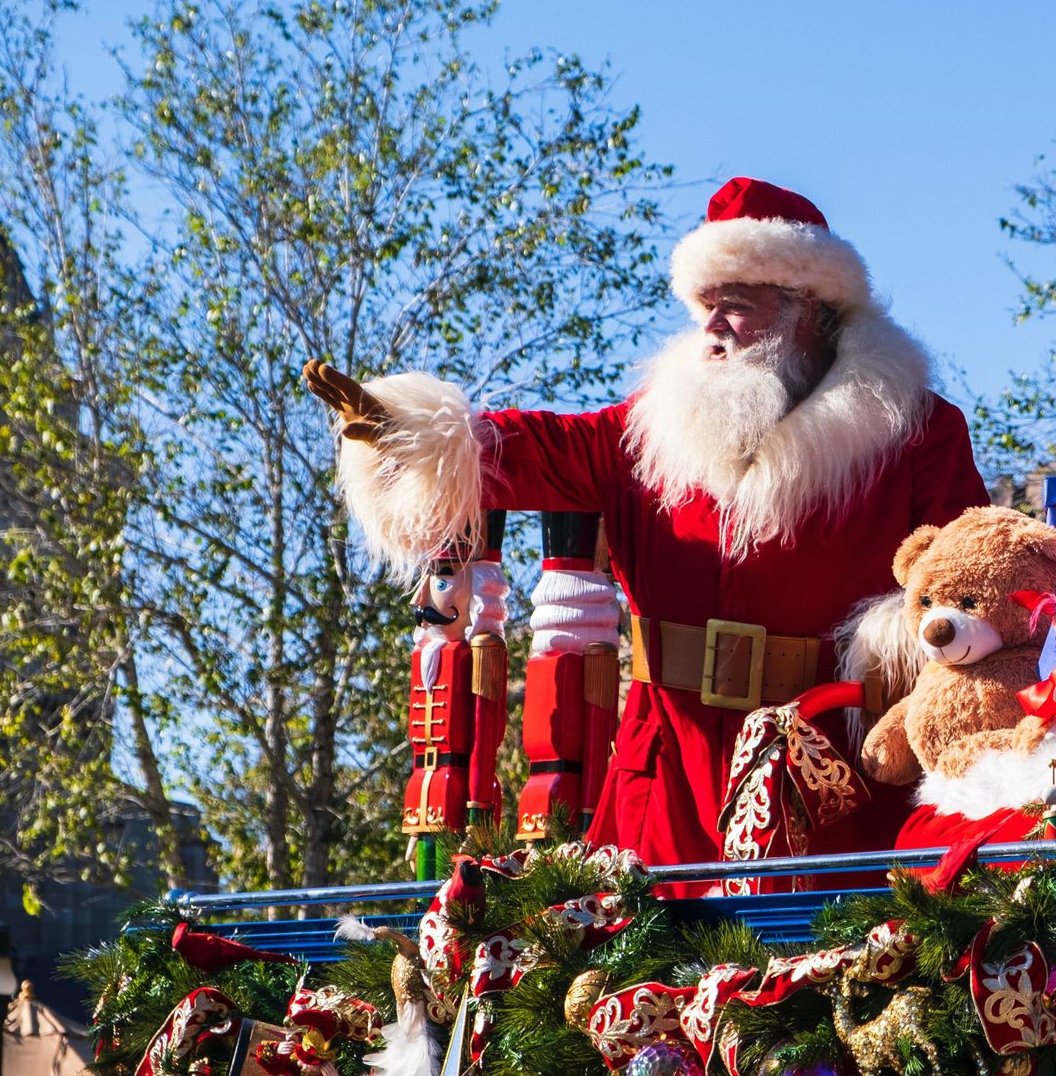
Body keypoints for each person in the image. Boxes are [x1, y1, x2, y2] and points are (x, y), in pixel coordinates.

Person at [305, 176, 989, 869]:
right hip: (665, 778)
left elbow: (974, 590)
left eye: (737, 307)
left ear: (807, 306)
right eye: (707, 307)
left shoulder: (917, 433)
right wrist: (408, 431)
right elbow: (526, 449)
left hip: (835, 778)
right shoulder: (647, 429)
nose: (714, 328)